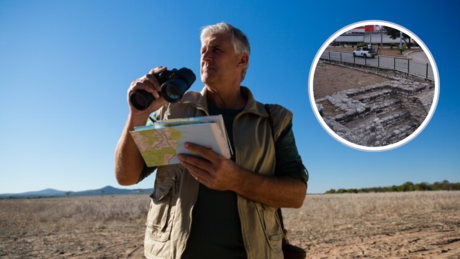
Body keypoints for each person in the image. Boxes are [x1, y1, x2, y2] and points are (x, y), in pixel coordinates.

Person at [115, 22, 308, 259]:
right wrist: (138, 113)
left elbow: (296, 195)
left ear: (242, 61)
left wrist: (236, 180)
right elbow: (126, 177)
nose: (206, 57)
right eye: (203, 51)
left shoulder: (272, 120)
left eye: (216, 50)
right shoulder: (171, 112)